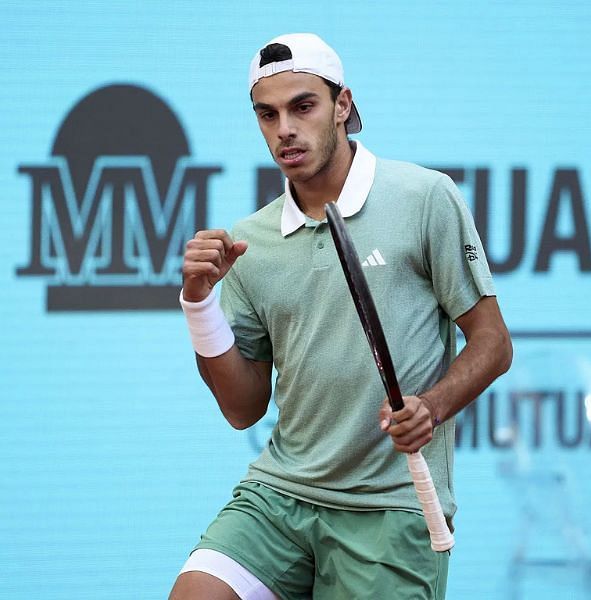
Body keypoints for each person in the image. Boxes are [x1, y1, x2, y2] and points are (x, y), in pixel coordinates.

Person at [169, 33, 512, 600]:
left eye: (303, 106)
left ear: (343, 106)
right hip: (280, 495)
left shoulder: (425, 197)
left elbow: (492, 342)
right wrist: (199, 303)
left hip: (391, 506)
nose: (285, 129)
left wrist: (431, 406)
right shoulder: (249, 243)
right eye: (267, 114)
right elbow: (242, 408)